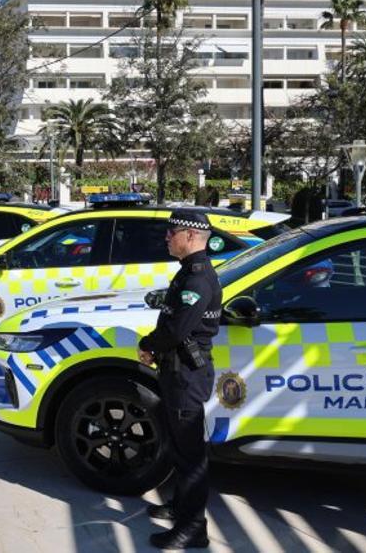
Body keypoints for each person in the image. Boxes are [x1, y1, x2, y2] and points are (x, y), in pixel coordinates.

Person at [137, 209, 222, 550]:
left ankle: (193, 528)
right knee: (179, 448)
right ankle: (180, 507)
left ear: (190, 236)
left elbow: (176, 329)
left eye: (172, 232)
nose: (167, 237)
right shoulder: (188, 272)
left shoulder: (198, 278)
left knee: (191, 456)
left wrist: (148, 344)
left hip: (187, 375)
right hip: (176, 370)